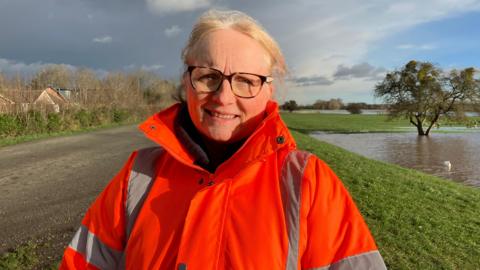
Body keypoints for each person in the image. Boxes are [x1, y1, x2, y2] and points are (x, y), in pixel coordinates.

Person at [60, 9, 387, 270]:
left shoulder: (307, 182)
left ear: (268, 91)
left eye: (246, 81)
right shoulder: (138, 174)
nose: (224, 97)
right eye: (209, 77)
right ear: (187, 81)